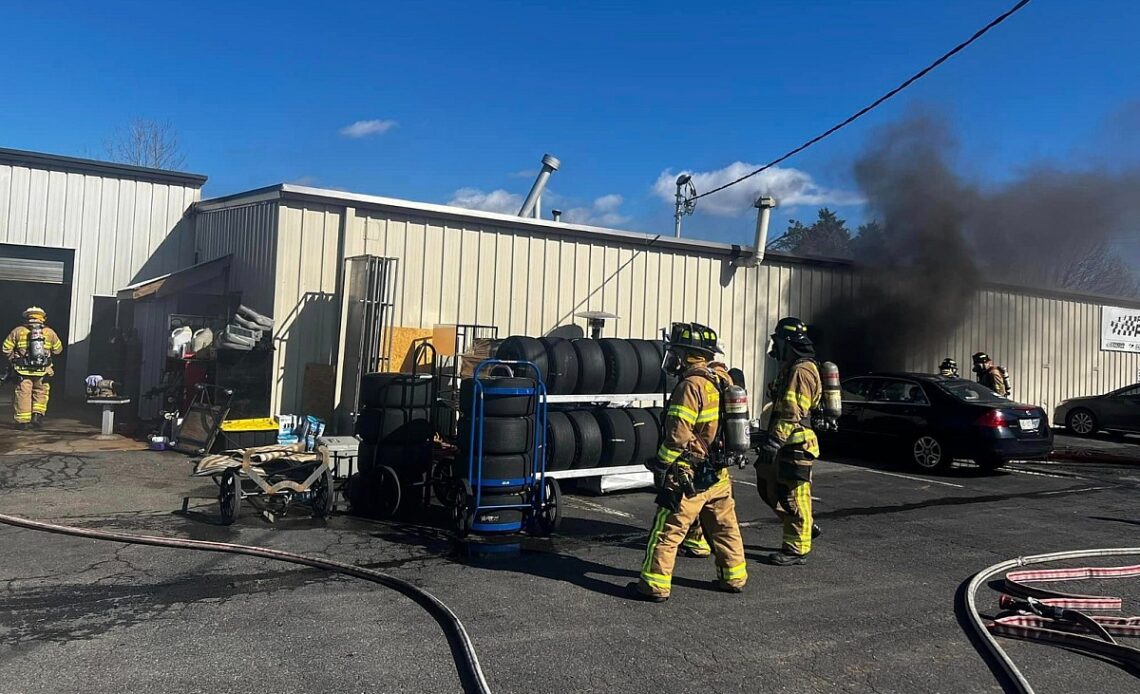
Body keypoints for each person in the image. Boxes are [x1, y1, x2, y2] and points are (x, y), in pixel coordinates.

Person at [631, 322, 747, 602]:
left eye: (676, 351)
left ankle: (654, 585)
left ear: (686, 354)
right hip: (719, 472)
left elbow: (678, 436)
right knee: (724, 526)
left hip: (690, 473)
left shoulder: (691, 386)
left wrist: (661, 464)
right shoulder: (724, 379)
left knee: (667, 529)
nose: (673, 357)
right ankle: (734, 577)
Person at [755, 316, 822, 566]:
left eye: (778, 341)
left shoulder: (801, 371)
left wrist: (774, 442)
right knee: (766, 484)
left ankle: (796, 548)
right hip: (784, 441)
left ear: (788, 343)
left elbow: (793, 412)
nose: (775, 346)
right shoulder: (791, 368)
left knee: (793, 495)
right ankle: (805, 526)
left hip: (796, 443)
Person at [2, 307, 64, 429]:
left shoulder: (18, 331)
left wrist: (13, 359)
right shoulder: (49, 332)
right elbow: (58, 350)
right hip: (43, 371)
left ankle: (23, 422)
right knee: (41, 393)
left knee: (23, 394)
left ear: (27, 317)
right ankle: (37, 416)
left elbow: (6, 348)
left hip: (22, 371)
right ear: (43, 318)